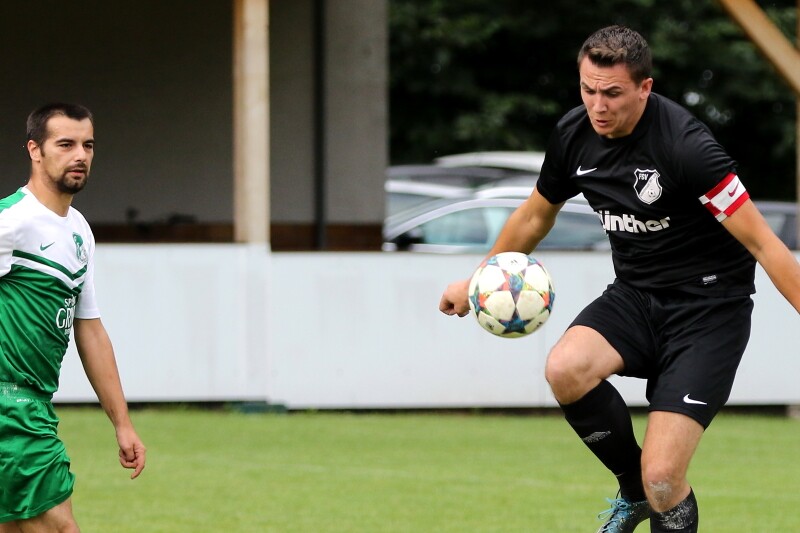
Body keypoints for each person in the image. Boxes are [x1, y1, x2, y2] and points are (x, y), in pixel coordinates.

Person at [439, 25, 800, 533]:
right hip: (634, 296)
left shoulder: (687, 147)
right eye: (588, 90)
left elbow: (764, 243)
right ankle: (631, 490)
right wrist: (477, 280)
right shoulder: (573, 135)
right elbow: (535, 216)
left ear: (644, 88)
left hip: (708, 310)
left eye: (611, 93)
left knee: (664, 479)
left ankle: (647, 488)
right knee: (565, 369)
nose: (598, 105)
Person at [0, 103, 146, 532]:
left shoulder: (79, 230)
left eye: (88, 145)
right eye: (65, 144)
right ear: (35, 150)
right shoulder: (12, 221)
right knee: (60, 526)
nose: (80, 155)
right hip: (10, 408)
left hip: (34, 406)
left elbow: (90, 330)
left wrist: (122, 423)